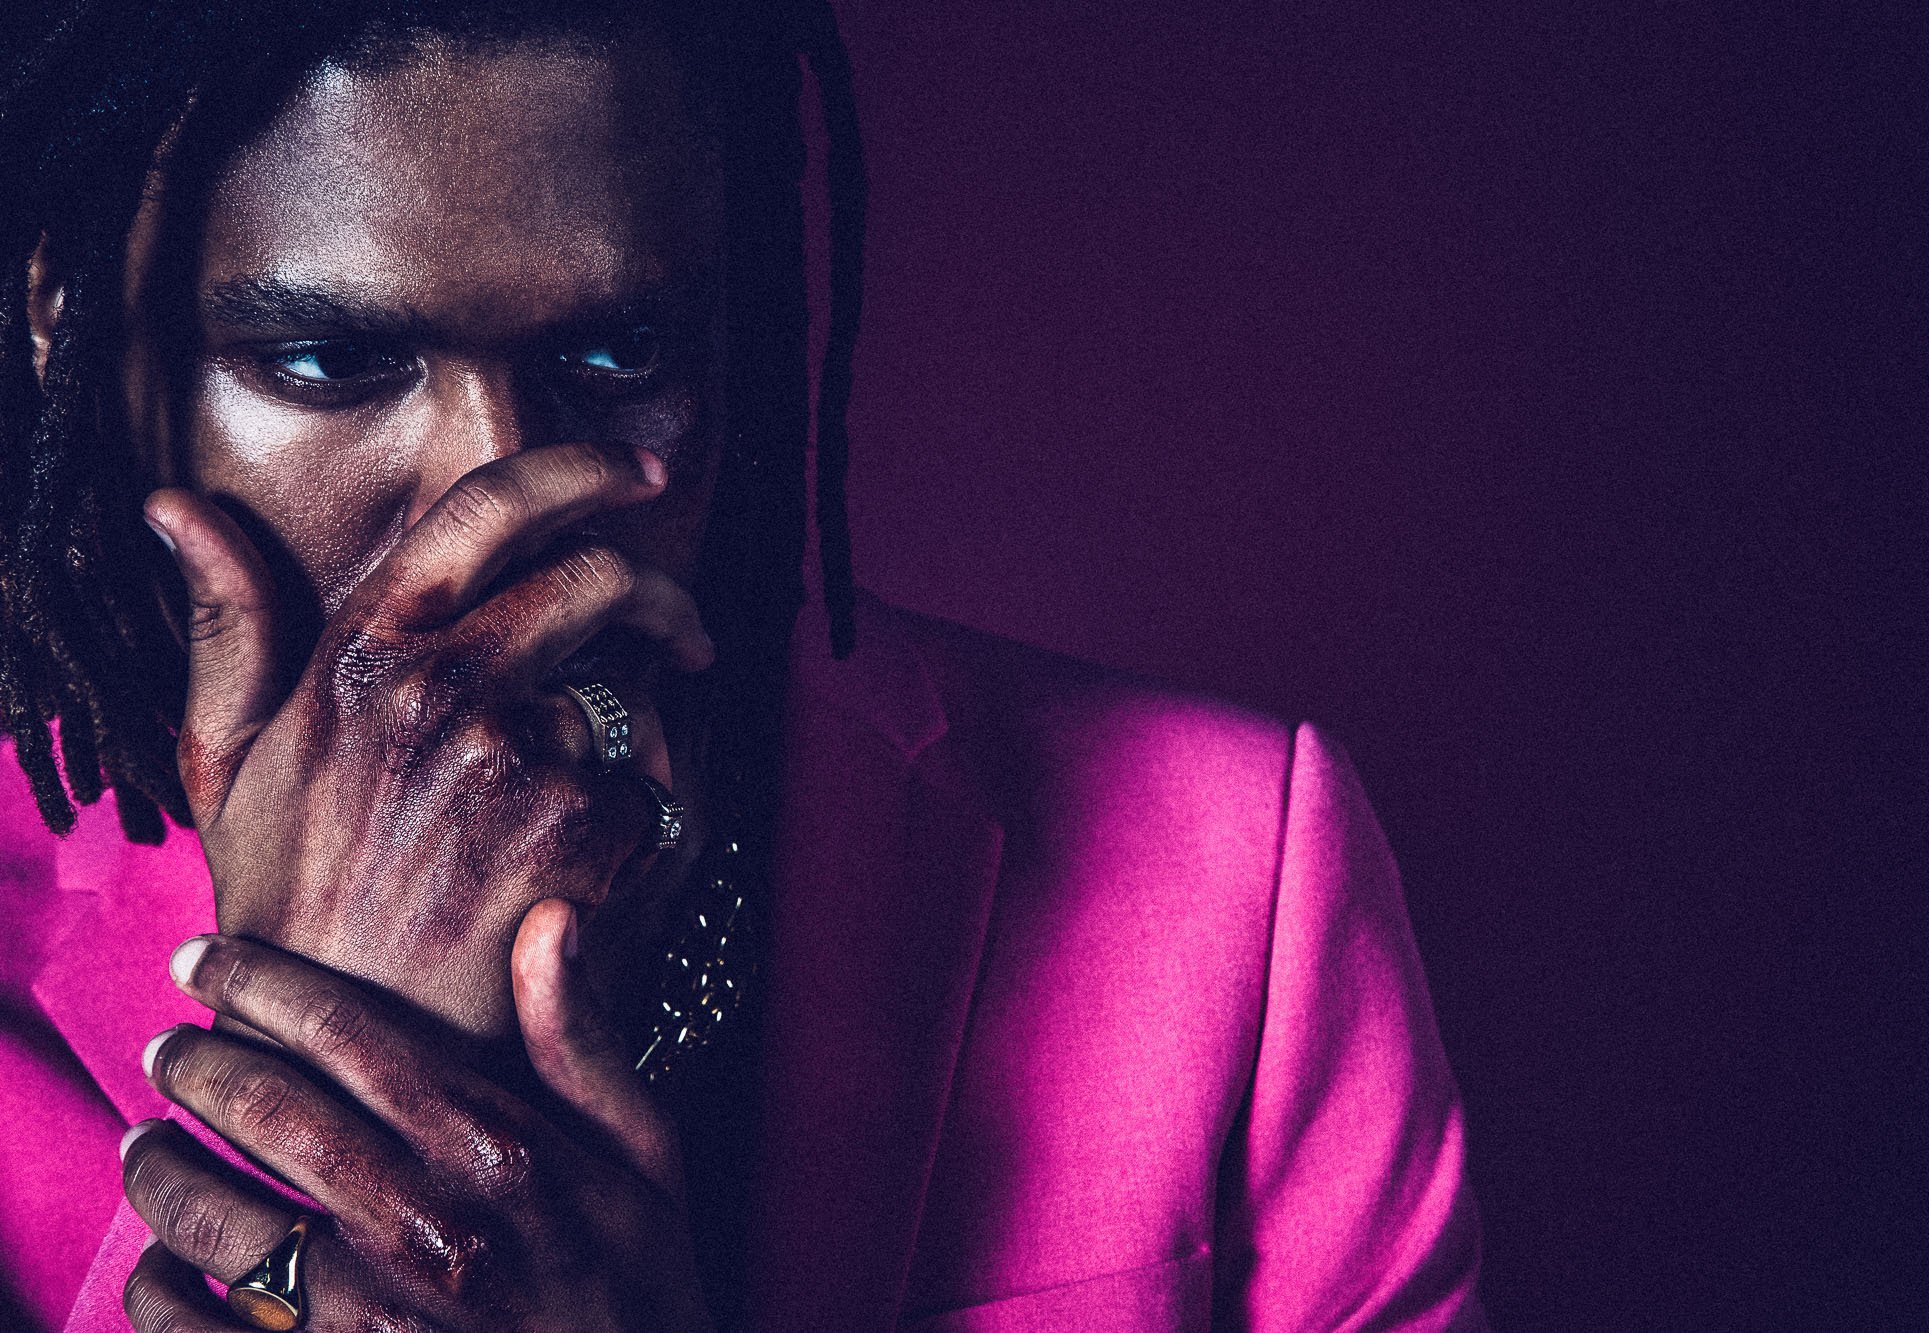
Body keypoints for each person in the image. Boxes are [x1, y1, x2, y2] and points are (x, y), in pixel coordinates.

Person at [0, 2, 1485, 1329]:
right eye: (327, 363)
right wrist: (317, 1064)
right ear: (72, 331)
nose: (495, 491)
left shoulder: (1236, 878)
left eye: (620, 352)